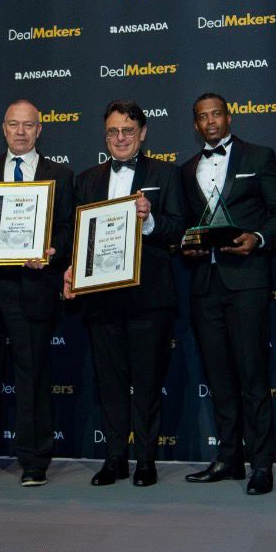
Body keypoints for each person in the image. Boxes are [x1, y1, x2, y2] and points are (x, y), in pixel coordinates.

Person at [64, 100, 185, 487]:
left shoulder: (166, 174)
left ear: (143, 133)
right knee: (110, 383)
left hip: (150, 297)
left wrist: (149, 221)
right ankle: (114, 458)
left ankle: (146, 460)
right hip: (101, 299)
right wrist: (72, 269)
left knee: (147, 383)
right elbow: (78, 237)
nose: (120, 138)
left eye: (128, 131)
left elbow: (180, 230)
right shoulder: (87, 180)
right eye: (113, 132)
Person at [0, 100, 75, 487]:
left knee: (33, 377)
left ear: (39, 130)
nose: (20, 132)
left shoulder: (60, 174)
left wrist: (52, 252)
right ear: (3, 128)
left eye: (28, 125)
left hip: (33, 288)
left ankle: (34, 461)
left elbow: (68, 228)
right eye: (13, 125)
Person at [179, 93, 276, 496]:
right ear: (196, 125)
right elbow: (186, 224)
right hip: (204, 285)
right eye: (202, 117)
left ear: (229, 117)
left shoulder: (259, 157)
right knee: (219, 378)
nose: (210, 121)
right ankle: (229, 459)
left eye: (216, 114)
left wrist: (257, 237)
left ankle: (262, 465)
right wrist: (186, 246)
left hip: (247, 282)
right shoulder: (187, 169)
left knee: (253, 376)